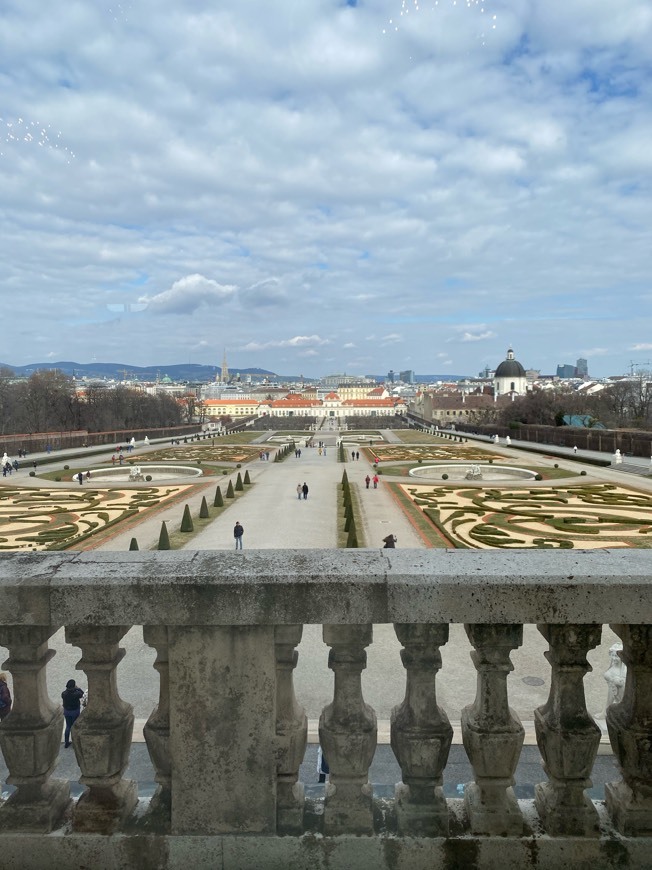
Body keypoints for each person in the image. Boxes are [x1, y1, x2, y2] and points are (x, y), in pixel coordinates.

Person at [61, 678, 85, 747]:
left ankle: (66, 742)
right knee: (75, 727)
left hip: (67, 712)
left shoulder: (63, 694)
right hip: (75, 712)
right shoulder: (76, 694)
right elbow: (83, 694)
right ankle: (75, 743)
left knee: (68, 726)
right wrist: (78, 688)